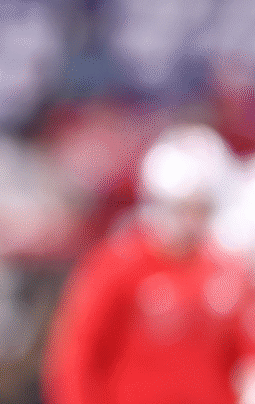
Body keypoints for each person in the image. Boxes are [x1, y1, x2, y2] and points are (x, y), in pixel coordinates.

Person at [42, 123, 252, 404]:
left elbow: (244, 354)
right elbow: (76, 356)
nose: (192, 221)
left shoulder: (227, 271)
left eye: (201, 208)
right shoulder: (118, 265)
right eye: (184, 208)